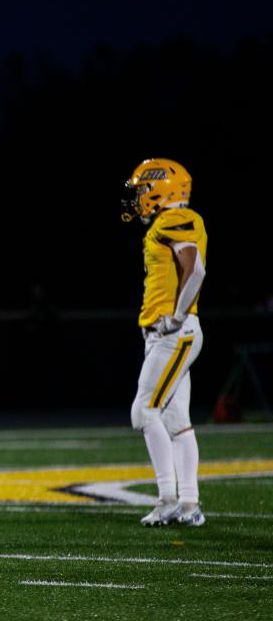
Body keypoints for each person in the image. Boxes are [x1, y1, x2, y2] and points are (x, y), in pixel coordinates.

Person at [121, 158, 207, 527]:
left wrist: (177, 314)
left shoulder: (173, 218)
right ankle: (190, 505)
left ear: (161, 187)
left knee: (143, 411)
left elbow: (196, 267)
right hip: (170, 331)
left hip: (173, 332)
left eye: (142, 189)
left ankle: (168, 498)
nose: (138, 197)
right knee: (176, 420)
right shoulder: (162, 223)